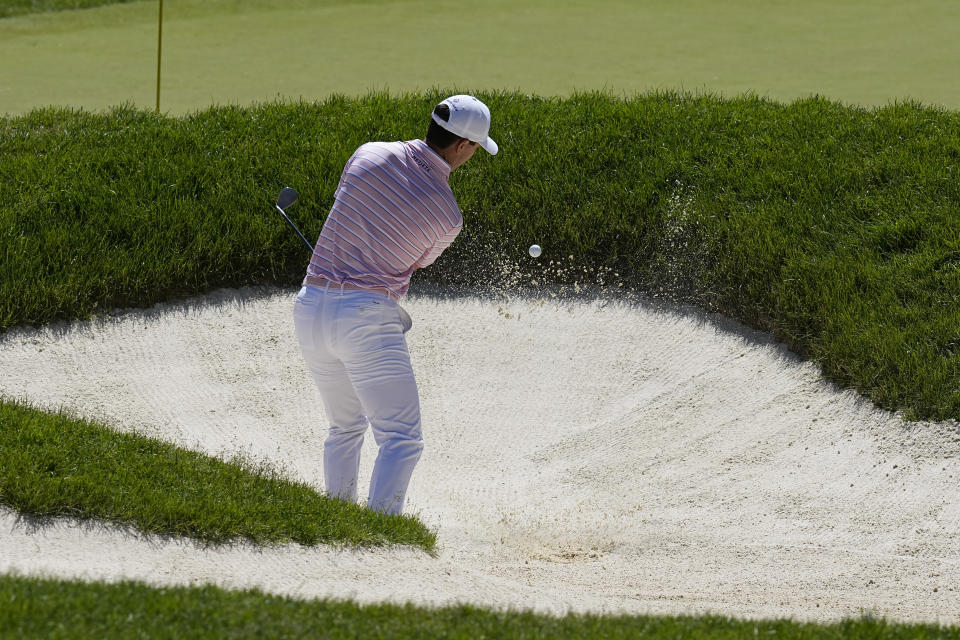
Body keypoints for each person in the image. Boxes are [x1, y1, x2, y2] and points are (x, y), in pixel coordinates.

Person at [293, 95, 498, 515]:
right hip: (365, 318)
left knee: (345, 427)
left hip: (310, 306)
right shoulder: (448, 216)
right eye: (476, 148)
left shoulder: (367, 153)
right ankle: (381, 530)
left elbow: (348, 202)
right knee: (402, 438)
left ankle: (336, 519)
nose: (473, 156)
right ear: (462, 145)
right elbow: (418, 260)